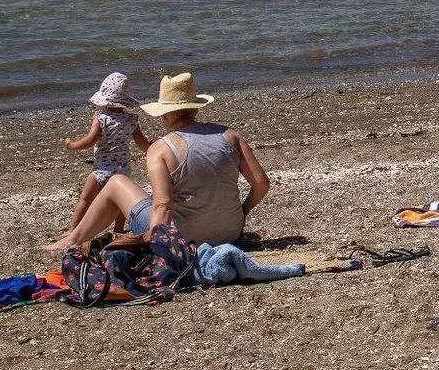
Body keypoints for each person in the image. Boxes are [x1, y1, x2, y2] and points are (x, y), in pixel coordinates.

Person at [47, 72, 271, 250]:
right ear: (195, 108)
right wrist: (242, 212)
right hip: (229, 232)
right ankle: (74, 238)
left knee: (115, 182)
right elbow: (261, 184)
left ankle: (72, 240)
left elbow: (163, 206)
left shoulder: (161, 148)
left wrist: (155, 247)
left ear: (163, 115)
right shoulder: (230, 135)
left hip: (184, 238)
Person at [53, 72, 151, 243]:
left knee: (85, 199)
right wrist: (153, 147)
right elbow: (142, 144)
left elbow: (89, 140)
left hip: (101, 170)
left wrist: (72, 145)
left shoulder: (101, 118)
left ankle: (73, 229)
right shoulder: (131, 120)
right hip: (122, 171)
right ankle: (119, 228)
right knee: (121, 203)